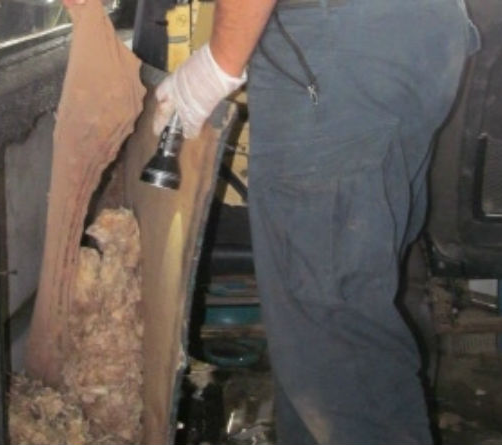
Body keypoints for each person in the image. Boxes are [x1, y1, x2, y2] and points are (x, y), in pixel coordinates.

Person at [151, 0, 480, 443]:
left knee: (333, 329)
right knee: (317, 334)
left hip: (335, 51)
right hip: (412, 34)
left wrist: (216, 68)